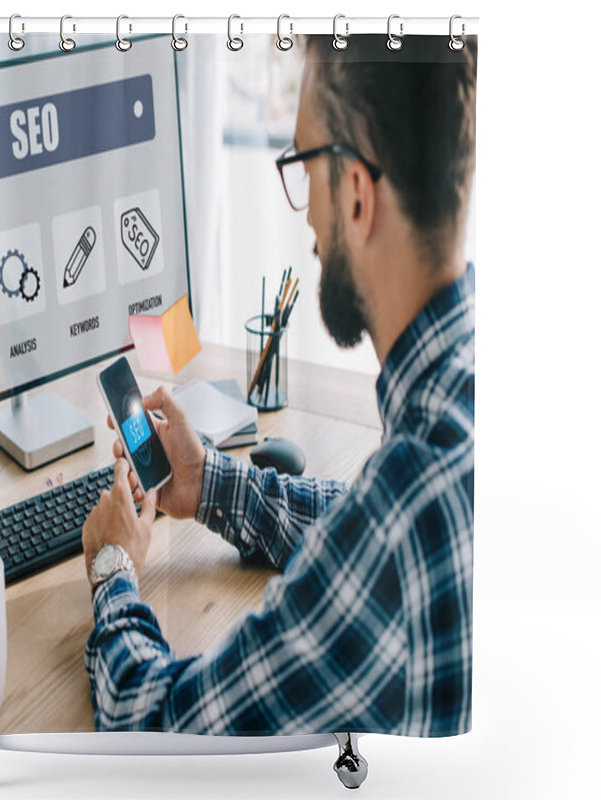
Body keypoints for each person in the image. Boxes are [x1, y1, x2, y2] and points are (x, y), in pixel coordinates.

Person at [82, 35, 477, 736]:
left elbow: (164, 726)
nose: (305, 216)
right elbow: (357, 521)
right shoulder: (462, 389)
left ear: (355, 192)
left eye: (302, 165)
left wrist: (115, 567)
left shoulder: (410, 504)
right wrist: (210, 485)